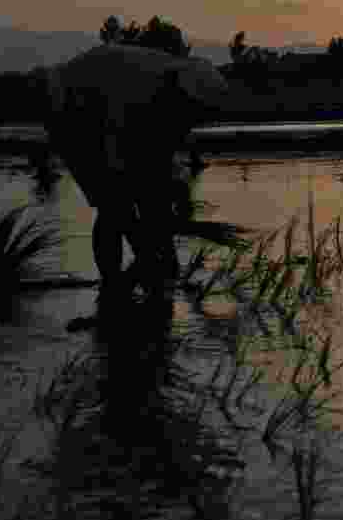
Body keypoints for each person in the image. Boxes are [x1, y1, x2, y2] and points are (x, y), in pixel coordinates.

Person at [42, 44, 229, 317]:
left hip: (104, 119)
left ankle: (151, 274)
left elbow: (161, 163)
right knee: (113, 205)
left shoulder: (174, 98)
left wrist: (170, 212)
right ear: (181, 95)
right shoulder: (132, 93)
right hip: (71, 114)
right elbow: (118, 169)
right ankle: (112, 280)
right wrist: (145, 249)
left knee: (149, 203)